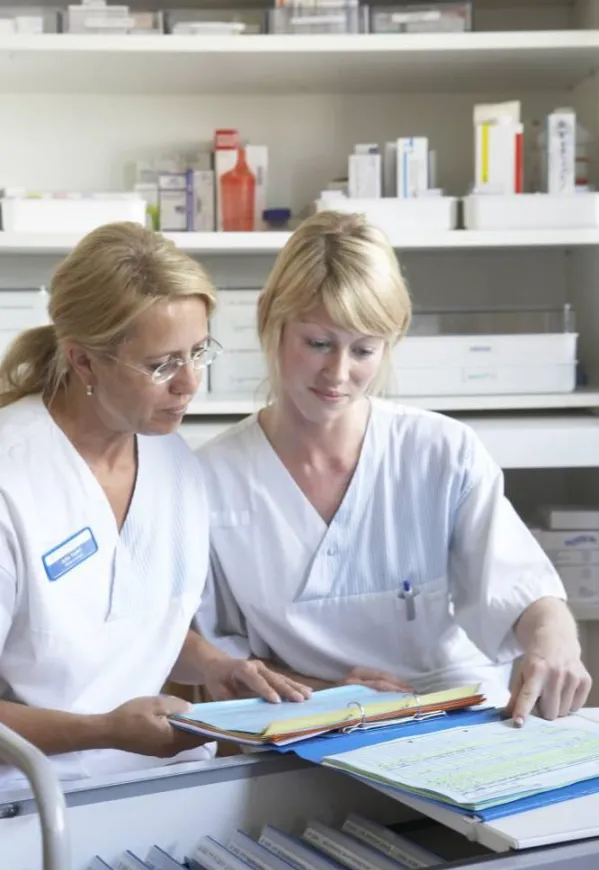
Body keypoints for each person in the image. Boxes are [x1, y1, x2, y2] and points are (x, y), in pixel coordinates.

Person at [193, 210, 592, 726]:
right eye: (317, 343)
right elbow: (218, 660)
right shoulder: (211, 479)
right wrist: (328, 694)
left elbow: (522, 592)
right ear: (271, 320)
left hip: (455, 710)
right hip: (301, 723)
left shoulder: (441, 451)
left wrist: (554, 641)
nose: (338, 373)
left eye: (363, 349)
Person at [0, 222, 309, 788]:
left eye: (198, 352)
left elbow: (131, 623)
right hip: (30, 797)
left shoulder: (176, 469)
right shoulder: (11, 480)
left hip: (161, 776)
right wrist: (103, 731)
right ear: (85, 362)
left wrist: (215, 665)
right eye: (162, 364)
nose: (189, 383)